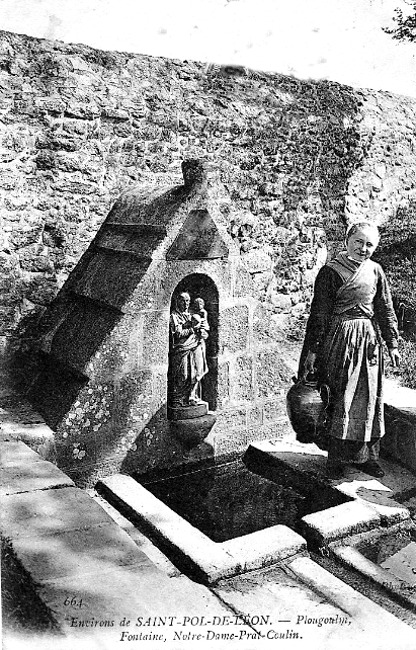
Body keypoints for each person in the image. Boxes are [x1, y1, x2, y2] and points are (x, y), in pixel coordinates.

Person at [300, 221, 401, 479]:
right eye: (358, 242)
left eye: (369, 244)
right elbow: (319, 314)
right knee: (340, 395)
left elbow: (385, 310)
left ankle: (369, 458)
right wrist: (312, 351)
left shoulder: (376, 271)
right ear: (347, 241)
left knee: (369, 397)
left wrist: (392, 344)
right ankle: (337, 459)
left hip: (368, 342)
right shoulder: (331, 272)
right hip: (339, 339)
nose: (363, 248)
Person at [169, 292, 209, 407]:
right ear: (177, 301)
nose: (185, 303)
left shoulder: (192, 314)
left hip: (196, 345)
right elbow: (177, 334)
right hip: (182, 349)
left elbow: (204, 331)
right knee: (184, 375)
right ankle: (178, 399)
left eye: (187, 301)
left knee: (197, 372)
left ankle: (192, 397)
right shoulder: (174, 316)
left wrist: (202, 332)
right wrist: (192, 329)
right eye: (182, 300)